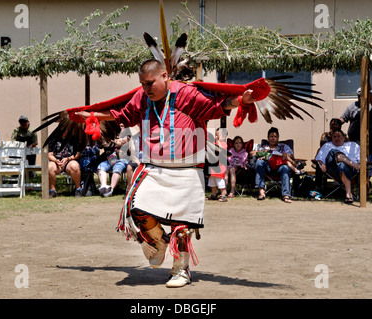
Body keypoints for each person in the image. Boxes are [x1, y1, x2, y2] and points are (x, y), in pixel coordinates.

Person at [75, 59, 254, 288]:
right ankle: (159, 243)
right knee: (137, 210)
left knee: (182, 226)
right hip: (153, 168)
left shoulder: (186, 94)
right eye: (142, 84)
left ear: (165, 77)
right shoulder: (141, 98)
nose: (147, 88)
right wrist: (92, 116)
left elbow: (215, 107)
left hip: (187, 169)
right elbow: (122, 114)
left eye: (150, 83)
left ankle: (181, 269)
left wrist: (241, 101)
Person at [340, 86, 372, 178]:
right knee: (355, 164)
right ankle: (355, 181)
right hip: (355, 143)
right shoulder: (352, 106)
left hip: (371, 143)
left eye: (363, 95)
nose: (360, 98)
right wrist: (337, 123)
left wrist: (366, 92)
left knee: (368, 166)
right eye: (359, 96)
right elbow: (343, 118)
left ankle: (367, 181)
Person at [315, 129, 360, 204]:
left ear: (344, 137)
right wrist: (322, 164)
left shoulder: (353, 145)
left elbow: (363, 160)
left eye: (339, 136)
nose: (337, 138)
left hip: (350, 170)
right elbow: (318, 159)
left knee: (342, 165)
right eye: (334, 137)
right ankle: (351, 164)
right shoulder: (327, 145)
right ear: (331, 138)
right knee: (333, 151)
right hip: (333, 170)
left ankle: (348, 194)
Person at [251, 127, 295, 203]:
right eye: (271, 137)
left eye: (275, 137)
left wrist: (285, 154)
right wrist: (261, 153)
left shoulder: (283, 146)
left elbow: (292, 156)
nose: (273, 138)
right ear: (268, 138)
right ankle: (261, 191)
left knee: (285, 167)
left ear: (278, 138)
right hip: (267, 168)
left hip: (279, 168)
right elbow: (251, 153)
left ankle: (286, 195)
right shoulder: (264, 147)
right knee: (259, 162)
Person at [47, 131, 82, 198]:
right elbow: (49, 154)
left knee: (75, 166)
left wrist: (68, 159)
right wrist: (55, 160)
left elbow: (78, 154)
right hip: (56, 162)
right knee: (49, 166)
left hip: (69, 161)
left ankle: (78, 189)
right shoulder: (53, 139)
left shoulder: (74, 138)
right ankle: (52, 190)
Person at [96, 131, 131, 197]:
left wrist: (112, 141)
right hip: (109, 160)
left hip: (122, 159)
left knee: (117, 168)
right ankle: (104, 186)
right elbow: (105, 144)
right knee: (101, 166)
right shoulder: (110, 134)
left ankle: (111, 189)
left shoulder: (128, 134)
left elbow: (121, 142)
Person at [314, 118, 344, 191]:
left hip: (340, 161)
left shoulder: (343, 136)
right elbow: (322, 146)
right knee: (319, 163)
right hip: (328, 161)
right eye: (332, 125)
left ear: (340, 126)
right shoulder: (325, 135)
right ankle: (318, 187)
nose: (333, 127)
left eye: (335, 125)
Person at [208, 128, 228, 202]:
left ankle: (223, 195)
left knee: (220, 182)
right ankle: (214, 195)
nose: (216, 136)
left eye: (218, 135)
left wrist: (217, 141)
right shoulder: (214, 143)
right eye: (216, 135)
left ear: (224, 136)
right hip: (213, 166)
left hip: (220, 167)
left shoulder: (223, 144)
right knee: (212, 182)